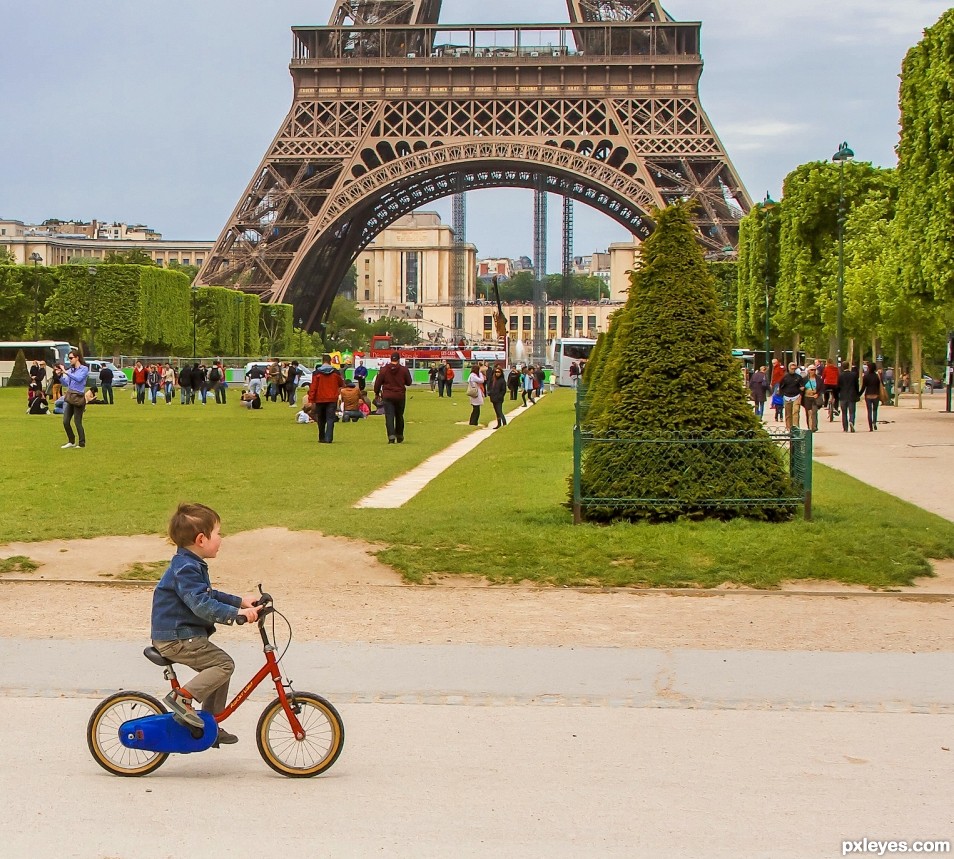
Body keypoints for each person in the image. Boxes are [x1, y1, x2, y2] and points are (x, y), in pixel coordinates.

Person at [150, 503, 261, 742]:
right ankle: (182, 698)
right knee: (223, 665)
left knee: (219, 669)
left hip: (182, 635)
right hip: (176, 638)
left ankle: (209, 726)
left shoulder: (190, 564)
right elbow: (201, 605)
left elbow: (208, 594)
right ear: (201, 539)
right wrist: (235, 615)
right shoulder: (186, 568)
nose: (221, 538)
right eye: (219, 533)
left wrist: (241, 602)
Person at [374, 351, 413, 443]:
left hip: (387, 395)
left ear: (390, 359)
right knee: (399, 416)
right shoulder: (404, 370)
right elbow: (409, 382)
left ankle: (391, 436)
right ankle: (399, 435)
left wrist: (377, 393)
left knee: (389, 416)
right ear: (399, 360)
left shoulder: (384, 370)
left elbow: (378, 383)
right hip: (400, 395)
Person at [307, 354, 345, 443]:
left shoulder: (317, 373)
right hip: (332, 399)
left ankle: (321, 437)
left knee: (321, 419)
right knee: (330, 419)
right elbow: (341, 383)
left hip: (320, 399)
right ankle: (329, 438)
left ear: (322, 361)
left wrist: (311, 400)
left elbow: (313, 387)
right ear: (330, 361)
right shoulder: (335, 372)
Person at [60, 350, 89, 449]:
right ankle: (71, 441)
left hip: (79, 398)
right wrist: (59, 376)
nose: (70, 360)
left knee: (77, 421)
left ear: (77, 358)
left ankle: (81, 443)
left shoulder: (84, 369)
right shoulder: (71, 370)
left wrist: (66, 372)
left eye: (71, 358)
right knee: (65, 421)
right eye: (69, 358)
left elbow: (79, 379)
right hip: (70, 397)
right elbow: (66, 383)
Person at [778, 362, 804, 431]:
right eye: (792, 368)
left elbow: (802, 386)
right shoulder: (785, 377)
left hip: (796, 396)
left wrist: (801, 393)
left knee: (795, 412)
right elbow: (781, 387)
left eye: (794, 369)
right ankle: (789, 428)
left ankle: (796, 428)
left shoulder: (798, 377)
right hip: (787, 397)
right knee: (788, 414)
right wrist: (782, 395)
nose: (793, 370)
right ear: (789, 368)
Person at [837, 361, 860, 433]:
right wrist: (857, 394)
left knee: (844, 413)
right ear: (848, 366)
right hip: (852, 395)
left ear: (842, 367)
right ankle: (851, 421)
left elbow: (838, 387)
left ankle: (845, 428)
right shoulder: (854, 375)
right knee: (852, 412)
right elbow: (856, 386)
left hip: (843, 396)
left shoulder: (840, 376)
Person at [860, 362, 883, 431]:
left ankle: (870, 426)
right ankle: (874, 423)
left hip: (868, 395)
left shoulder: (866, 376)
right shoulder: (877, 376)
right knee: (875, 410)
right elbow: (880, 385)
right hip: (876, 394)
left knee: (869, 411)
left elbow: (863, 387)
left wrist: (859, 394)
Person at [801, 366, 820, 431]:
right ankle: (809, 426)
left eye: (814, 370)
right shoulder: (804, 379)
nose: (813, 371)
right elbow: (801, 388)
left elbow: (822, 388)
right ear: (808, 371)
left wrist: (817, 394)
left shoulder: (818, 379)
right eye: (812, 370)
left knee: (814, 411)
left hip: (815, 397)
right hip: (807, 397)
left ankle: (814, 426)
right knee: (808, 412)